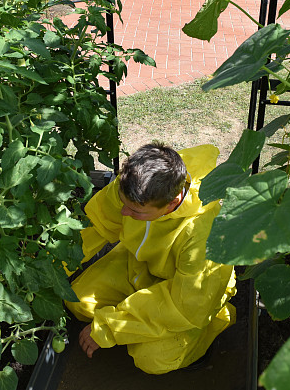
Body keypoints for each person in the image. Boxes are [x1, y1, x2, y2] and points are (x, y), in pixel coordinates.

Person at [65, 142, 236, 374]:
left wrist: (109, 327)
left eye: (135, 212)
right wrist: (56, 266)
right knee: (77, 301)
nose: (124, 213)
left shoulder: (203, 234)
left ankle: (213, 324)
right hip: (140, 266)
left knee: (153, 358)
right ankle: (136, 317)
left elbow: (183, 306)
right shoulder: (136, 183)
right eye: (123, 203)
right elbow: (97, 223)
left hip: (193, 297)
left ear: (172, 203)